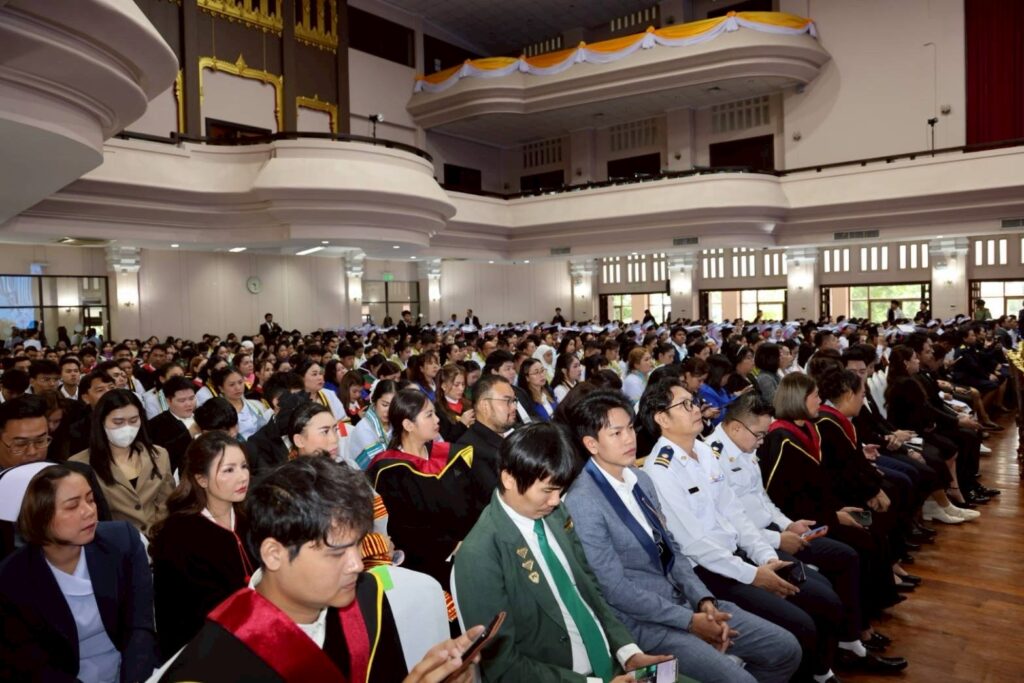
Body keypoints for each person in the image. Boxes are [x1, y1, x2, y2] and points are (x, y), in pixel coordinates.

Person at [157, 457, 484, 682]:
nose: (357, 564)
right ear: (274, 554)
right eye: (337, 553)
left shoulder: (366, 596)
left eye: (357, 545)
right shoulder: (214, 665)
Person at [561, 390, 803, 683]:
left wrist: (703, 600)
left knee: (785, 648)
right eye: (616, 433)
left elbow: (671, 548)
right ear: (591, 444)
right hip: (646, 623)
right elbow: (615, 589)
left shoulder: (640, 479)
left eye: (630, 428)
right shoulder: (583, 501)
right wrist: (690, 621)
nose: (629, 439)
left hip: (686, 600)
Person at [637, 379, 862, 681]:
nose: (696, 408)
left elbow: (737, 514)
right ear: (662, 419)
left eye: (694, 401)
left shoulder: (703, 452)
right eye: (685, 404)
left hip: (739, 558)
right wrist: (754, 574)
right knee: (801, 624)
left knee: (820, 594)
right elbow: (695, 545)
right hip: (709, 573)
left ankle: (824, 669)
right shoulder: (660, 470)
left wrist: (767, 557)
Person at [453, 422, 676, 681]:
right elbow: (503, 666)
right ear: (509, 479)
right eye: (547, 490)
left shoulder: (554, 514)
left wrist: (628, 652)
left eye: (560, 489)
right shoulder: (480, 554)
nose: (556, 500)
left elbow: (588, 587)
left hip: (613, 662)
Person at [758, 374, 904, 616]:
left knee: (871, 521)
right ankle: (861, 622)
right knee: (862, 540)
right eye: (815, 396)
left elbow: (822, 483)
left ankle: (878, 603)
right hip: (802, 521)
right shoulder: (781, 439)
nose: (820, 400)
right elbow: (786, 499)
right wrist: (834, 517)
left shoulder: (808, 428)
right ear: (798, 399)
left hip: (826, 509)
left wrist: (839, 508)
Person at [0, 465, 157, 682]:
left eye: (90, 499)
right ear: (39, 516)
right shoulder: (12, 579)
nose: (89, 511)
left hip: (130, 669)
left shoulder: (122, 542)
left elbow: (140, 626)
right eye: (72, 506)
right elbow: (34, 664)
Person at [149, 432, 256, 659]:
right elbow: (186, 616)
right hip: (207, 648)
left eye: (244, 466)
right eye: (229, 470)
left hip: (255, 632)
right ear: (201, 479)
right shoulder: (179, 534)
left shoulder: (250, 517)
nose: (242, 477)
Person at [367, 390, 482, 589]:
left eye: (435, 413)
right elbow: (403, 530)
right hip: (426, 567)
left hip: (472, 549)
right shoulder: (389, 472)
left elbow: (474, 500)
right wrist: (452, 546)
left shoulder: (451, 456)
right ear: (408, 425)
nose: (437, 419)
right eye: (429, 415)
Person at [70, 389, 175, 535]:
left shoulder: (158, 455)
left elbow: (167, 503)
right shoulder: (79, 465)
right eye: (118, 422)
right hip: (114, 541)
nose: (127, 428)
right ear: (101, 422)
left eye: (133, 420)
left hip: (157, 537)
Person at [454, 374, 519, 498]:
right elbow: (499, 497)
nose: (514, 407)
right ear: (485, 406)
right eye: (507, 401)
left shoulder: (517, 431)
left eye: (514, 401)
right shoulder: (469, 448)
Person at [146, 376, 200, 475]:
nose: (189, 404)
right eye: (182, 401)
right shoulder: (156, 425)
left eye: (192, 398)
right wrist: (190, 433)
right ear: (168, 401)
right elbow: (161, 456)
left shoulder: (202, 416)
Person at [348, 379, 400, 470]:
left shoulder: (395, 422)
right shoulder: (364, 428)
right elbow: (376, 465)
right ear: (374, 401)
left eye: (393, 406)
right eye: (384, 405)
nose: (388, 411)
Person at [435, 363, 475, 442]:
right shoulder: (437, 410)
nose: (461, 388)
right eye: (456, 385)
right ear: (444, 386)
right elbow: (445, 442)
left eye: (463, 384)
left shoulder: (468, 403)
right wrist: (462, 424)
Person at [517, 357, 557, 421]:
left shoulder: (549, 390)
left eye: (542, 370)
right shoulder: (526, 399)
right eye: (536, 372)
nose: (542, 375)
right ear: (527, 378)